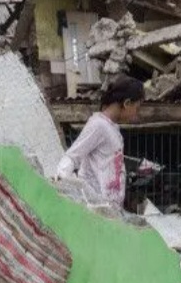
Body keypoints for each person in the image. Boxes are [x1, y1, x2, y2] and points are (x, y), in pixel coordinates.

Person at [53, 75, 144, 209]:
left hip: (110, 210)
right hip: (95, 207)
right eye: (137, 108)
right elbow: (73, 156)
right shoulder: (98, 125)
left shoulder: (113, 128)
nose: (136, 114)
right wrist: (59, 183)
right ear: (127, 103)